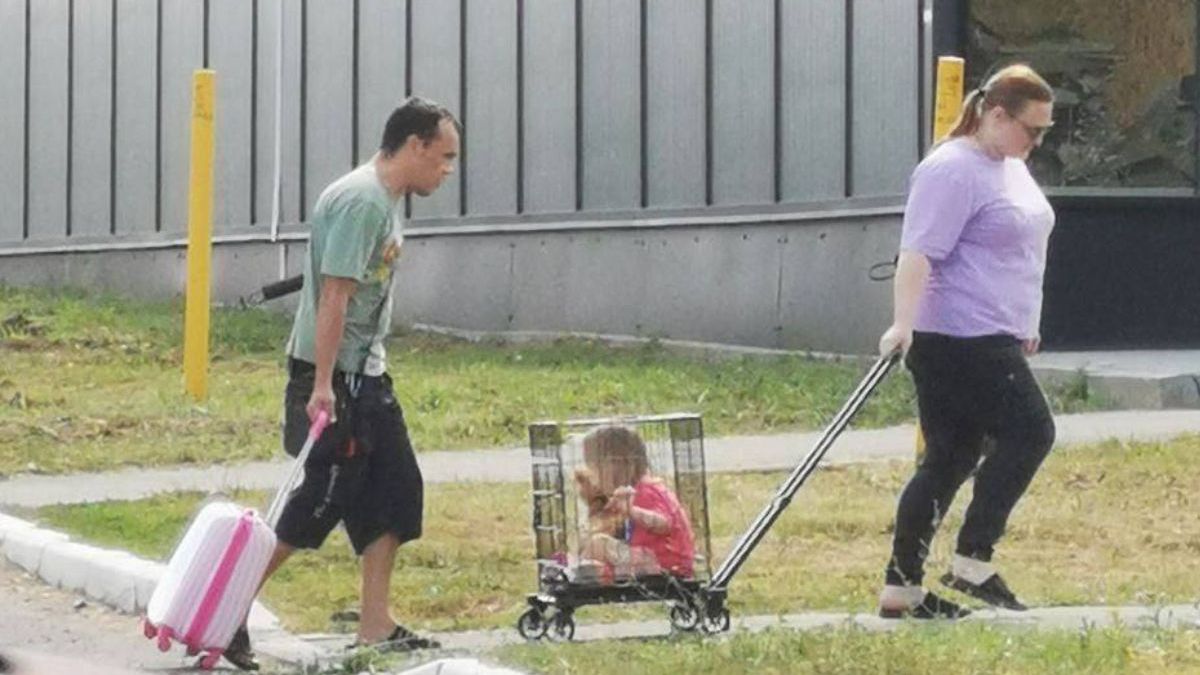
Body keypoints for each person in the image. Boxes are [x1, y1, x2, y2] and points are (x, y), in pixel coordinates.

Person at [223, 97, 460, 670]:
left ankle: (375, 626)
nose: (448, 170)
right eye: (444, 156)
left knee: (396, 493)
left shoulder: (385, 198)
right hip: (336, 378)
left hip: (367, 372)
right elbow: (335, 295)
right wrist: (322, 384)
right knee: (321, 502)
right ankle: (228, 611)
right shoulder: (361, 201)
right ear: (414, 145)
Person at [876, 64, 1058, 619]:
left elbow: (1021, 249)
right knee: (1032, 433)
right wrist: (901, 325)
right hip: (956, 335)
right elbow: (918, 252)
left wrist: (1026, 321)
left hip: (995, 332)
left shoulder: (1009, 166)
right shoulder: (952, 169)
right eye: (1033, 129)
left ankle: (902, 589)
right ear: (996, 114)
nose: (1038, 141)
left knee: (950, 459)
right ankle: (972, 560)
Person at [573, 426, 696, 580]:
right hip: (649, 558)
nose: (593, 474)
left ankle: (582, 574)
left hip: (664, 564)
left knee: (599, 543)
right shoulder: (635, 490)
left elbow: (664, 523)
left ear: (619, 465)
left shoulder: (647, 491)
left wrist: (632, 511)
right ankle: (592, 570)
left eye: (595, 466)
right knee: (597, 542)